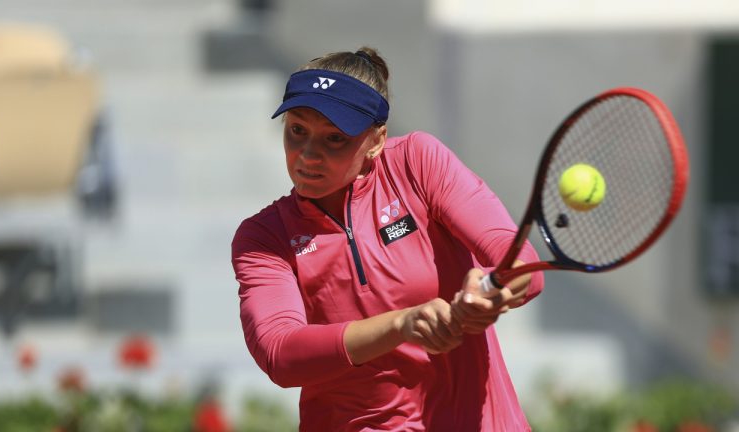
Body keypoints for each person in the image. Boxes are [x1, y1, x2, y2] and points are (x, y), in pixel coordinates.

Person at [231, 46, 544, 431]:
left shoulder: (417, 162)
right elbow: (281, 354)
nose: (308, 155)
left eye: (334, 139)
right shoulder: (263, 236)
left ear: (377, 140)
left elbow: (522, 264)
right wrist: (400, 325)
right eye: (297, 131)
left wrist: (492, 290)